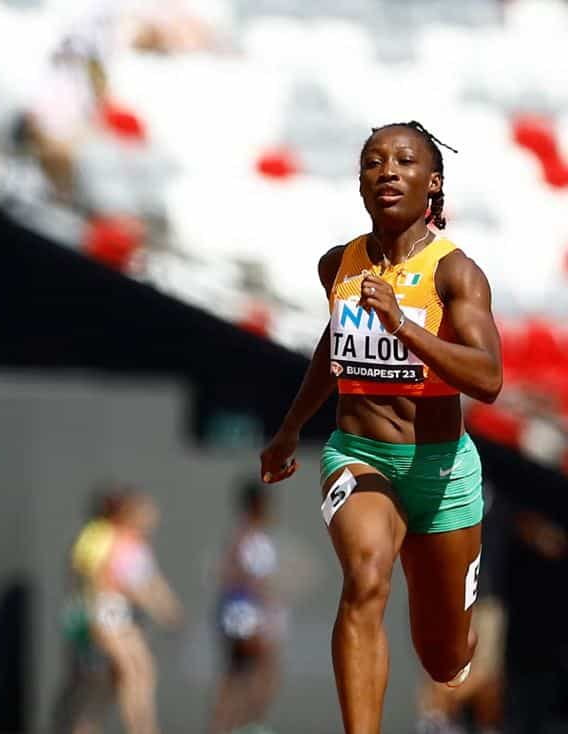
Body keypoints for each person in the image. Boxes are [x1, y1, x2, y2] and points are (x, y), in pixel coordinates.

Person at [260, 121, 503, 733]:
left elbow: (490, 378)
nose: (386, 171)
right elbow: (332, 347)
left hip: (442, 470)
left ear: (433, 183)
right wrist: (291, 427)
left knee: (445, 657)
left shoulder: (456, 274)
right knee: (366, 577)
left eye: (403, 161)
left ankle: (459, 645)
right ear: (360, 183)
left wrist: (404, 326)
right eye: (373, 162)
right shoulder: (337, 265)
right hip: (359, 455)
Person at [60, 490, 181, 734]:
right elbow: (104, 581)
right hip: (104, 613)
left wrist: (166, 607)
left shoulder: (134, 544)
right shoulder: (107, 539)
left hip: (115, 614)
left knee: (117, 681)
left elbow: (150, 582)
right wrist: (154, 605)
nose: (151, 518)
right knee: (131, 673)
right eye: (144, 513)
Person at [209, 482, 283, 734]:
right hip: (244, 609)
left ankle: (233, 726)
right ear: (256, 504)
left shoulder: (254, 534)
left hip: (245, 608)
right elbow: (235, 573)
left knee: (240, 672)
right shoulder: (245, 535)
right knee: (260, 668)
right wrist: (261, 606)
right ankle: (248, 725)